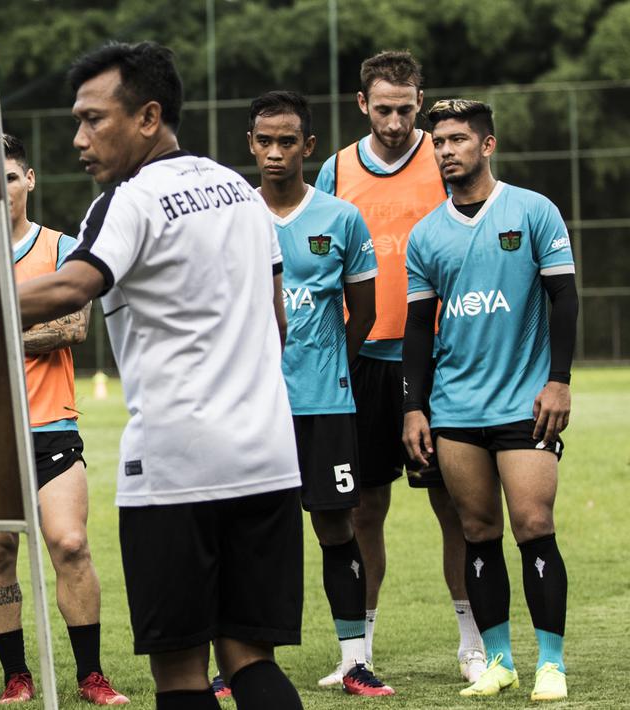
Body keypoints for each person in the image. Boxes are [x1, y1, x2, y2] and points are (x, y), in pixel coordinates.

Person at [19, 42, 304, 710]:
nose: (79, 138)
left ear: (148, 116)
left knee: (179, 672)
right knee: (249, 659)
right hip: (266, 458)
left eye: (93, 119)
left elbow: (71, 287)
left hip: (176, 469)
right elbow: (278, 322)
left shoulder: (128, 201)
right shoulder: (241, 192)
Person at [314, 50, 485, 684]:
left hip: (438, 359)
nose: (394, 121)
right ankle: (358, 652)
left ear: (420, 101)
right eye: (382, 109)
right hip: (359, 363)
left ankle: (473, 643)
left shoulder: (443, 159)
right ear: (362, 104)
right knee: (363, 511)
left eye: (405, 109)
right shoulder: (335, 170)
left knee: (456, 506)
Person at [402, 99, 576, 701]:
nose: (446, 151)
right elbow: (418, 329)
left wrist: (559, 380)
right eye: (439, 143)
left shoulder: (533, 211)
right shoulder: (426, 234)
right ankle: (499, 662)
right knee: (477, 532)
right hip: (454, 408)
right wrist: (414, 406)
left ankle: (551, 664)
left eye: (457, 140)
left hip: (525, 404)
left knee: (534, 524)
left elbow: (564, 299)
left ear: (487, 144)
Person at [0, 134, 127, 706]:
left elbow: (73, 328)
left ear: (29, 179)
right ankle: (16, 676)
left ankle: (91, 676)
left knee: (71, 543)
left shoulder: (62, 248)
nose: (3, 187)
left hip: (50, 425)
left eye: (11, 176)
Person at [247, 91, 393, 697]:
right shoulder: (236, 215)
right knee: (251, 533)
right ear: (250, 144)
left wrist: (330, 365)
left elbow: (364, 313)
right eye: (264, 141)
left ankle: (354, 661)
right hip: (253, 407)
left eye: (287, 142)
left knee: (337, 526)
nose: (274, 153)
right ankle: (241, 664)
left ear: (308, 146)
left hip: (325, 405)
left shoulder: (341, 218)